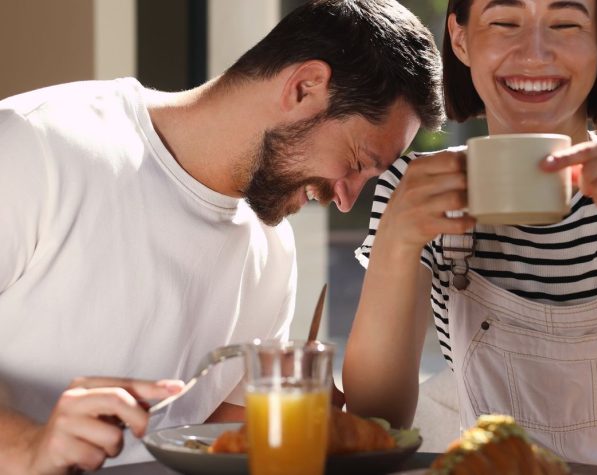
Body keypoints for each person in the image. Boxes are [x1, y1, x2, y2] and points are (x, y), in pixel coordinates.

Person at [0, 0, 444, 472]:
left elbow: (209, 435)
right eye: (357, 162)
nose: (347, 200)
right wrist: (29, 447)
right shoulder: (35, 144)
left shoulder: (272, 249)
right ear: (304, 87)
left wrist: (300, 430)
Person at [343, 0, 597, 473]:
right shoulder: (415, 190)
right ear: (460, 39)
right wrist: (396, 242)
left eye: (565, 24)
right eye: (504, 23)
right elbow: (375, 427)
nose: (535, 53)